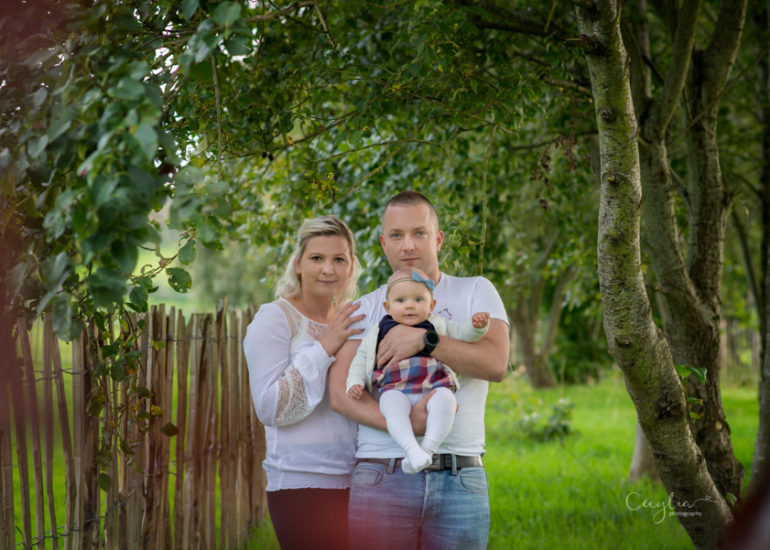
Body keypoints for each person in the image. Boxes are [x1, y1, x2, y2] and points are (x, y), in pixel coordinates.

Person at [329, 191, 510, 550]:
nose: (408, 245)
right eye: (396, 235)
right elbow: (340, 395)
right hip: (382, 472)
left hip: (460, 475)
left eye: (419, 233)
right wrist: (410, 427)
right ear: (383, 243)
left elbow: (495, 363)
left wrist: (424, 341)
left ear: (438, 239)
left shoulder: (476, 291)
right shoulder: (365, 308)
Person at [243, 215, 365, 550]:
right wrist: (325, 346)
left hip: (358, 481)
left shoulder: (351, 320)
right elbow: (270, 408)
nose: (328, 269)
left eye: (339, 259)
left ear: (351, 266)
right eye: (317, 258)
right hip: (301, 485)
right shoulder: (275, 318)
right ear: (298, 264)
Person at [346, 267, 490, 473]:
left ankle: (427, 449)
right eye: (400, 300)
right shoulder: (378, 331)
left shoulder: (437, 324)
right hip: (395, 389)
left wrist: (477, 327)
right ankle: (411, 449)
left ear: (432, 305)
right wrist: (355, 382)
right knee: (390, 406)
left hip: (433, 387)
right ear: (387, 307)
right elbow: (360, 360)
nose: (409, 306)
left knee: (448, 401)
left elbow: (463, 333)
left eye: (418, 299)